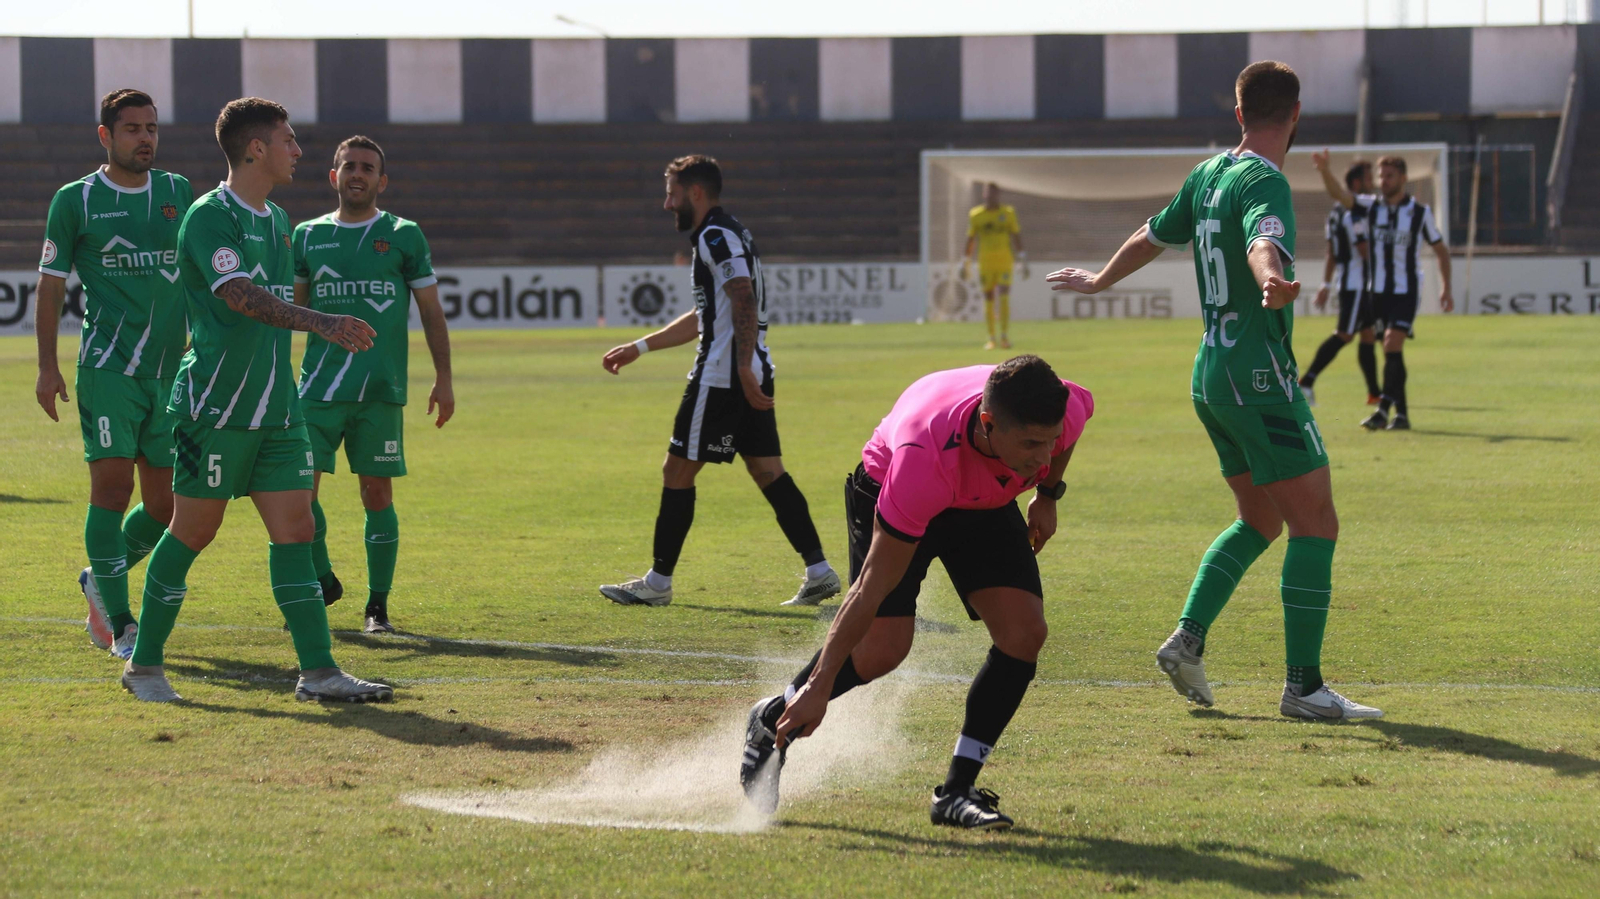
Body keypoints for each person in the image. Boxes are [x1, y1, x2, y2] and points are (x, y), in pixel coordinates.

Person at [1048, 61, 1382, 721]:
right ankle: (1304, 687)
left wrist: (1099, 280)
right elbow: (1265, 238)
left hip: (1211, 371)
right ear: (1295, 114)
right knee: (1315, 520)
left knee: (1260, 518)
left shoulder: (1208, 174)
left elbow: (1153, 233)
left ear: (1238, 113)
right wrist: (1269, 278)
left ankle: (1188, 640)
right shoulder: (1265, 178)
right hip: (1256, 373)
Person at [740, 356, 1093, 830]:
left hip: (982, 496)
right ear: (989, 423)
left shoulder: (1059, 409)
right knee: (883, 649)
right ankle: (773, 716)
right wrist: (817, 688)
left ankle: (956, 792)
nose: (1044, 455)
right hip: (895, 485)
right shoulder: (922, 461)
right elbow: (869, 589)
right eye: (1032, 444)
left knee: (1024, 633)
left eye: (1050, 441)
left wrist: (1047, 494)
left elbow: (1068, 433)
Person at [121, 97, 391, 704]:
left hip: (277, 409)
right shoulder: (209, 217)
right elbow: (239, 296)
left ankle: (318, 672)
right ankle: (143, 667)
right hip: (216, 407)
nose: (298, 150)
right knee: (192, 531)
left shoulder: (277, 221)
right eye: (289, 140)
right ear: (255, 149)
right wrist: (319, 321)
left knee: (296, 530)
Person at [599, 156, 839, 609]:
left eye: (671, 192)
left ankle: (658, 582)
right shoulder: (728, 232)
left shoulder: (713, 235)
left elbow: (742, 296)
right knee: (767, 470)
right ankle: (819, 570)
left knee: (677, 471)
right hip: (746, 368)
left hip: (723, 375)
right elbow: (708, 314)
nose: (666, 202)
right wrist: (641, 347)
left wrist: (742, 367)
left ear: (695, 193)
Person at [35, 89, 192, 661]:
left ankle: (100, 577)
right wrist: (48, 365)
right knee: (111, 487)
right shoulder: (75, 200)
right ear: (105, 135)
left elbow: (200, 274)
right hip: (109, 368)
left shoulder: (177, 192)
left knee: (166, 507)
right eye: (131, 129)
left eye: (151, 128)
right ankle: (123, 625)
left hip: (171, 373)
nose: (145, 138)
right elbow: (51, 284)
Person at [293, 135, 453, 634]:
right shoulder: (306, 235)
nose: (357, 174)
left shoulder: (404, 235)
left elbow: (431, 311)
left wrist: (443, 378)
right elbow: (292, 314)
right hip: (316, 389)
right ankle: (322, 578)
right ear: (333, 176)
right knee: (298, 495)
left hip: (378, 391)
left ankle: (377, 607)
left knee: (377, 496)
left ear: (381, 181)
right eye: (348, 166)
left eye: (367, 168)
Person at [1312, 151, 1453, 430]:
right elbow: (1339, 194)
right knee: (1391, 354)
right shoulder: (1370, 207)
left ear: (1403, 178)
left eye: (1389, 176)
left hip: (1405, 291)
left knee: (1391, 344)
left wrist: (1446, 287)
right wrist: (1324, 170)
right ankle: (1401, 415)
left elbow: (1441, 251)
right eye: (1381, 176)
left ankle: (1382, 409)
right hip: (1376, 293)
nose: (1383, 181)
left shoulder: (1420, 213)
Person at [1298, 161, 1381, 407]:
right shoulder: (1354, 212)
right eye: (1368, 178)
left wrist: (1325, 283)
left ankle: (1375, 393)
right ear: (1356, 183)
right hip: (1356, 283)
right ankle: (1306, 382)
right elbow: (1364, 248)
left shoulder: (1336, 211)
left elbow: (1331, 251)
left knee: (1367, 335)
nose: (1373, 183)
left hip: (1352, 281)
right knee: (1344, 335)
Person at [961, 183, 1028, 349]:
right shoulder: (976, 215)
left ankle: (1004, 336)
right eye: (988, 192)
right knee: (989, 299)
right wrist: (965, 261)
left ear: (998, 194)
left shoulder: (1008, 213)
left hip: (1004, 261)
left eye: (994, 193)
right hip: (985, 262)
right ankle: (991, 338)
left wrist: (1023, 258)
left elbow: (1015, 235)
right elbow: (971, 240)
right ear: (984, 194)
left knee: (1004, 296)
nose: (991, 196)